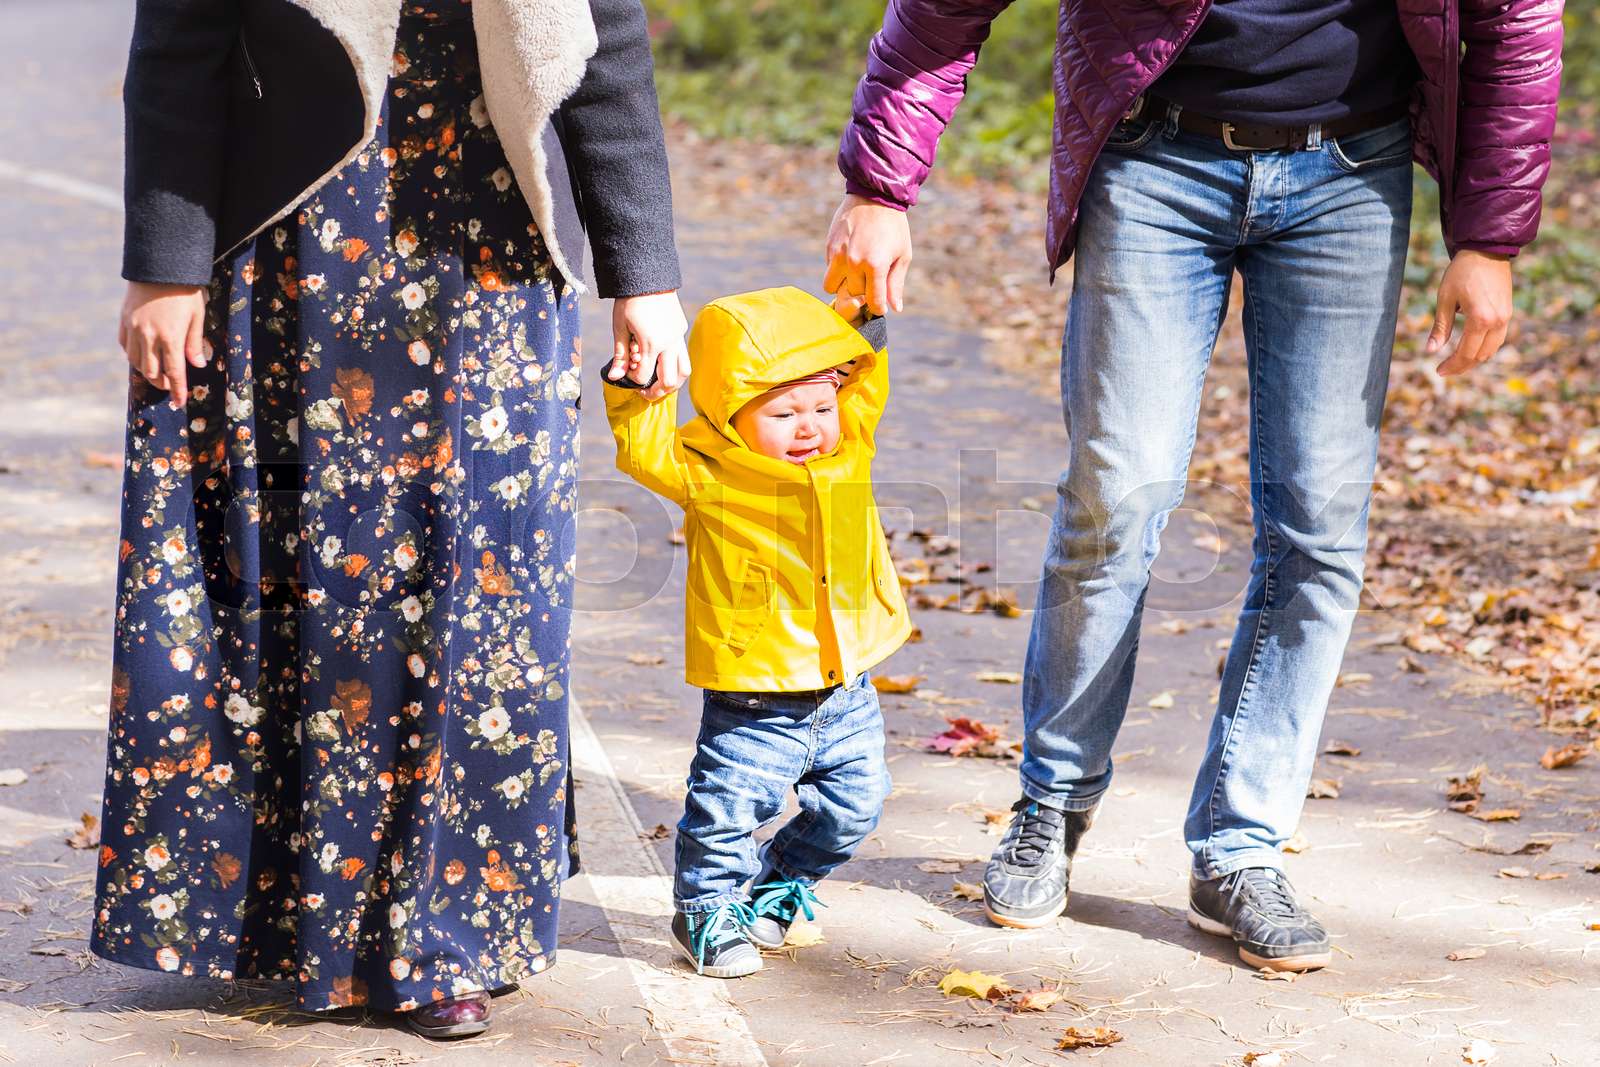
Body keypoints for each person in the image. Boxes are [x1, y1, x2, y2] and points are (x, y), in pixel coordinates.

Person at [825, 0, 1562, 972]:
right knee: (1113, 498)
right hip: (1153, 153)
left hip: (1353, 168)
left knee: (1319, 526)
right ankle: (1052, 798)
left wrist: (1489, 236)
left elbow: (1515, 18)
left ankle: (1239, 844)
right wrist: (880, 184)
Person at [97, 0, 688, 1038]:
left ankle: (440, 934)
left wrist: (644, 272)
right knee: (296, 583)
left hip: (500, 251)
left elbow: (607, 45)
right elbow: (180, 40)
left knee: (486, 598)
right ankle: (273, 923)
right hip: (297, 246)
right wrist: (166, 261)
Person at [604, 287, 910, 977]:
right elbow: (642, 449)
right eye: (783, 412)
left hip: (847, 687)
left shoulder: (848, 447)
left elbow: (862, 379)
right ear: (730, 414)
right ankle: (705, 909)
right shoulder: (708, 470)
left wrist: (859, 310)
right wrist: (639, 382)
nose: (809, 427)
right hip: (755, 692)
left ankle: (780, 880)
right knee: (726, 812)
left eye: (819, 407)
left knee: (857, 806)